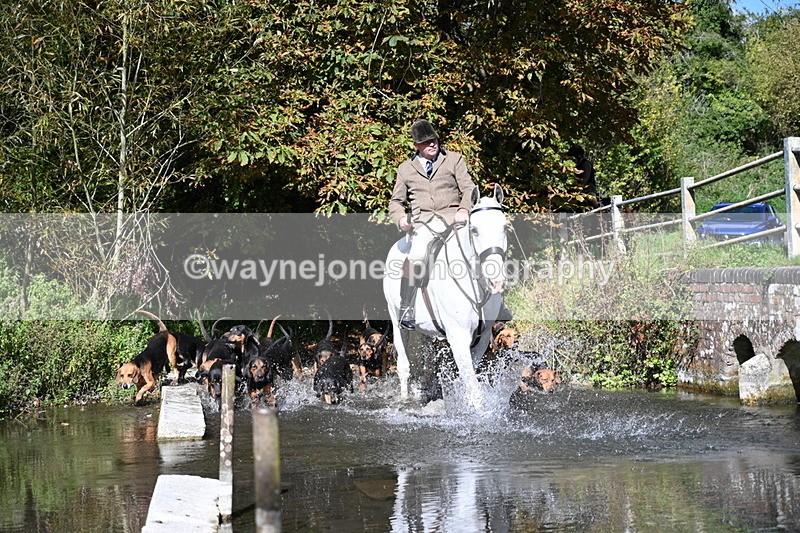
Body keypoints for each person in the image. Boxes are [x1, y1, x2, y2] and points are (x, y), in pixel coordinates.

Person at [388, 119, 477, 330]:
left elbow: (469, 189)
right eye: (426, 142)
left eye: (434, 140)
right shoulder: (405, 169)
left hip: (455, 218)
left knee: (481, 244)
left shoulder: (454, 160)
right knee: (417, 255)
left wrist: (464, 209)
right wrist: (401, 219)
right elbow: (396, 201)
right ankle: (407, 307)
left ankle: (496, 303)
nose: (432, 145)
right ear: (416, 145)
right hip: (424, 223)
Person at [567, 145, 600, 209]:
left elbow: (584, 179)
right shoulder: (575, 166)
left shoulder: (586, 164)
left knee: (593, 205)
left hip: (588, 188)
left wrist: (578, 189)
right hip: (577, 188)